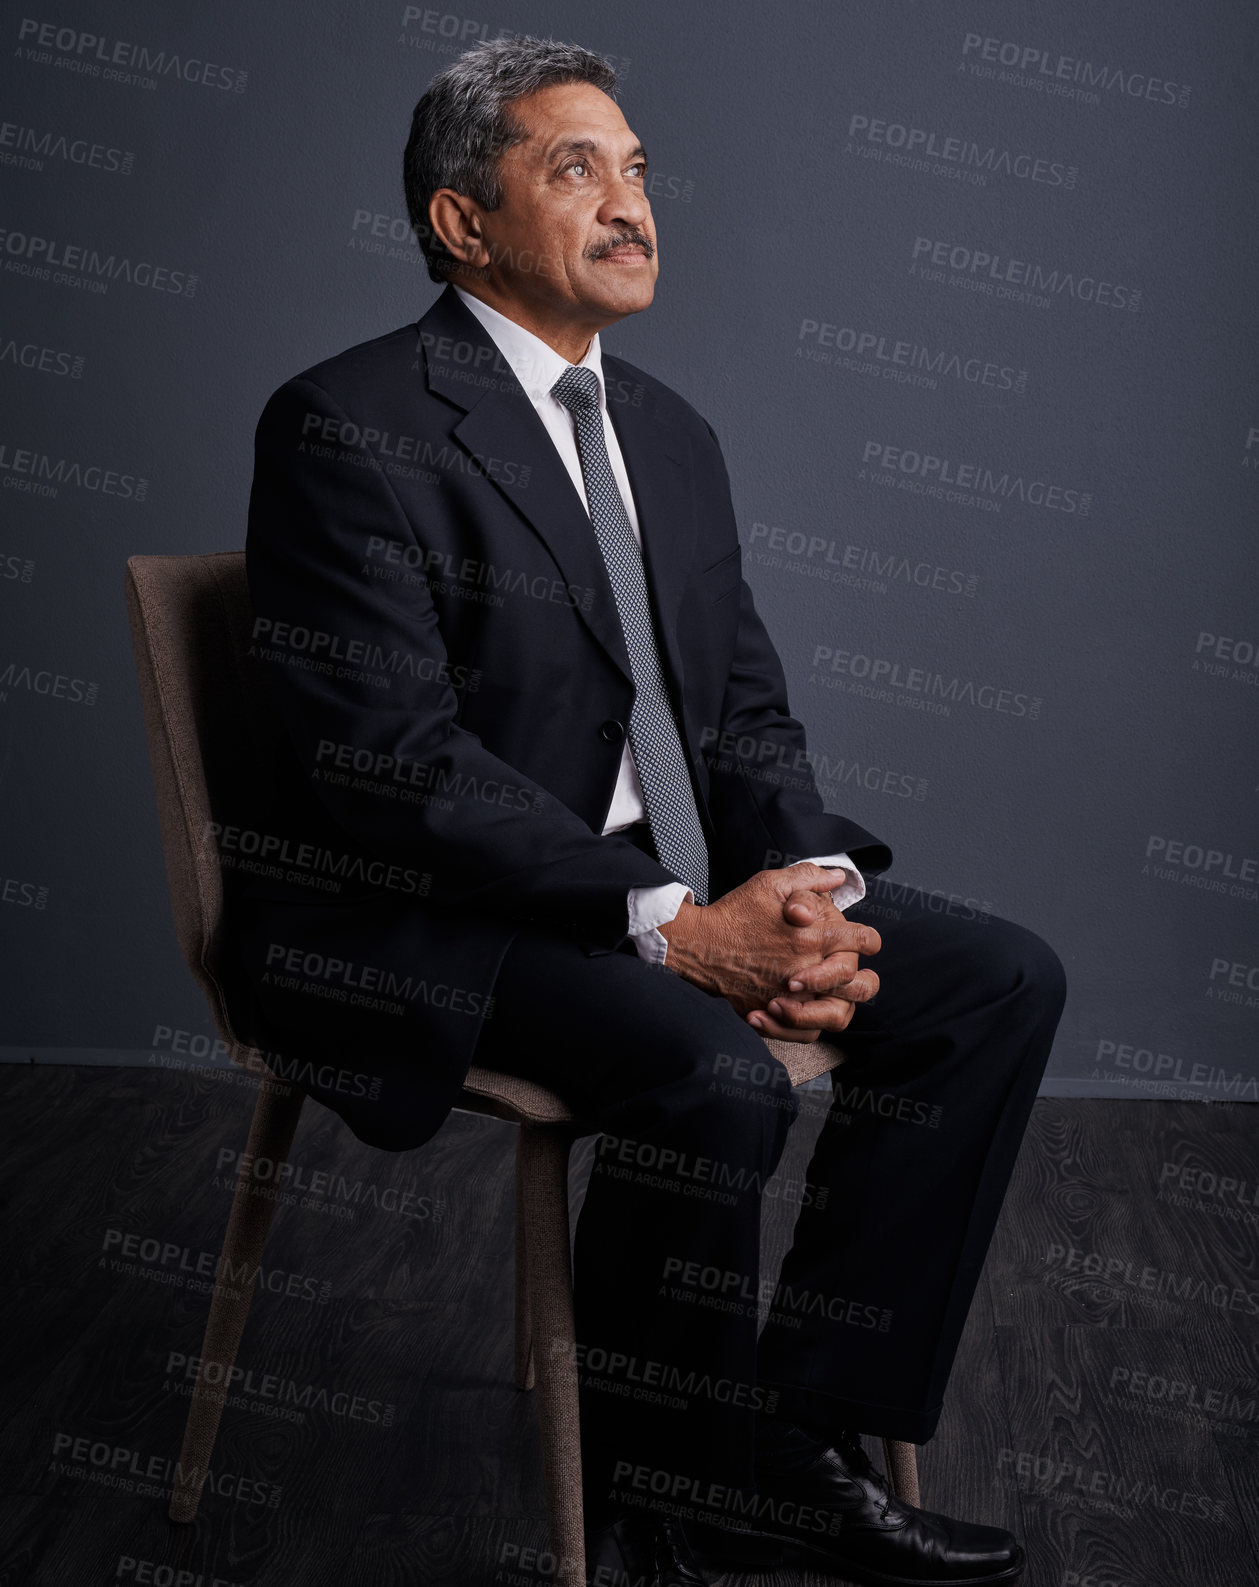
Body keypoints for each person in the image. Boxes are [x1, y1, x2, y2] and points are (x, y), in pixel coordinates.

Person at [235, 35, 1065, 1587]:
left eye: (636, 169)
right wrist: (672, 928)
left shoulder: (670, 432)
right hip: (434, 913)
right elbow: (391, 764)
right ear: (461, 223)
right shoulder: (346, 427)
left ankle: (794, 1440)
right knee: (709, 1071)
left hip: (657, 882)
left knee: (998, 979)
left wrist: (803, 888)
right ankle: (668, 1485)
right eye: (576, 169)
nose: (632, 206)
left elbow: (740, 712)